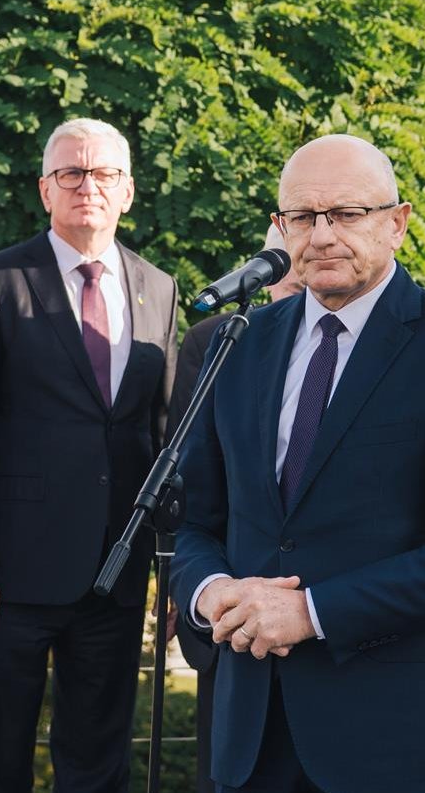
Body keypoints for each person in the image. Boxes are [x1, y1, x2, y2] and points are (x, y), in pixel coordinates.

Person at [171, 134, 425, 793]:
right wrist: (211, 593)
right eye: (303, 217)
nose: (323, 234)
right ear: (279, 229)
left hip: (393, 737)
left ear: (398, 222)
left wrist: (312, 612)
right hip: (252, 729)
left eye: (347, 214)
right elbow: (196, 524)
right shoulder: (238, 345)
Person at [0, 118, 179, 792]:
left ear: (128, 191)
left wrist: (172, 566)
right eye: (70, 173)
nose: (87, 187)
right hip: (10, 577)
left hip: (118, 568)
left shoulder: (157, 287)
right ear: (46, 189)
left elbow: (160, 436)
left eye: (103, 174)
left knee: (99, 762)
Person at [167, 223, 305, 793]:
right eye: (289, 239)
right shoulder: (218, 339)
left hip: (337, 624)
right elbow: (192, 485)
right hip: (233, 613)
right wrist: (201, 587)